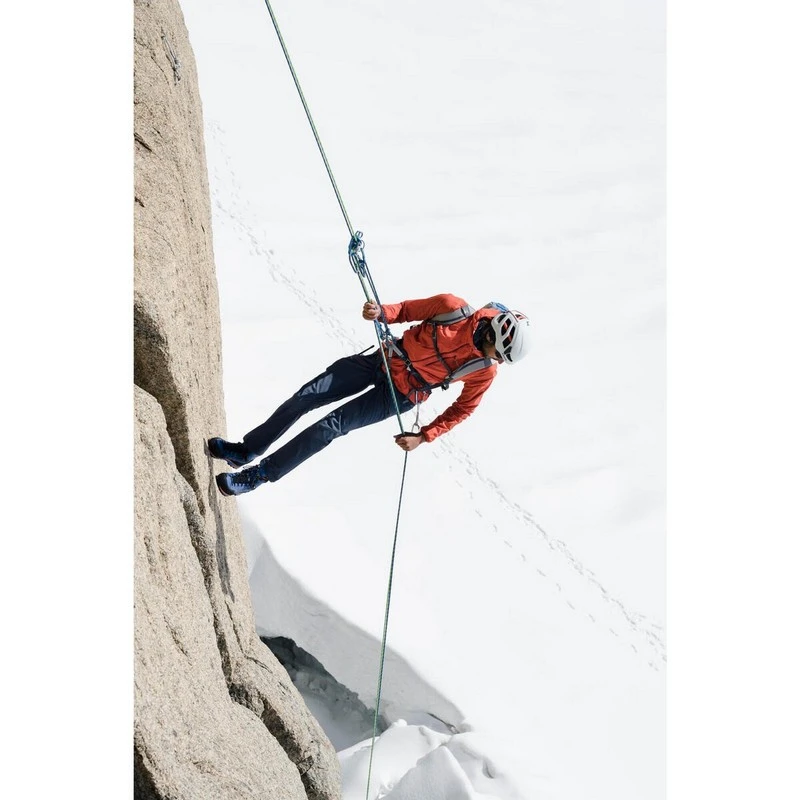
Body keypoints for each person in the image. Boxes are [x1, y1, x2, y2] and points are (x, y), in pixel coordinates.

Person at [209, 293, 531, 496]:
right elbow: (406, 310)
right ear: (493, 334)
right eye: (498, 354)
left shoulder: (484, 370)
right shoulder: (452, 308)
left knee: (329, 428)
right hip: (381, 361)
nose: (497, 361)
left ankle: (258, 476)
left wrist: (424, 436)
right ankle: (245, 451)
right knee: (306, 397)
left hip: (398, 397)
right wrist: (381, 312)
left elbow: (463, 409)